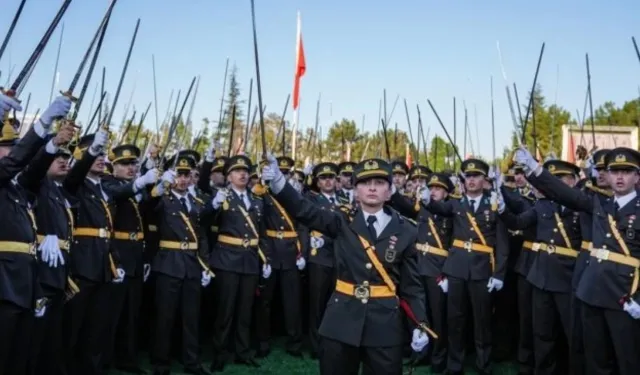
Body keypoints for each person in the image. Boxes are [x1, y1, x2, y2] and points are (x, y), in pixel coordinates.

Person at [262, 155, 430, 375]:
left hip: (384, 323)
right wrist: (279, 184)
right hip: (341, 319)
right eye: (365, 183)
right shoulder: (341, 220)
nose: (372, 188)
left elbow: (411, 285)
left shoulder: (407, 230)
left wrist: (420, 323)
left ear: (389, 192)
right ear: (355, 190)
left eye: (379, 183)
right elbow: (305, 210)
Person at [514, 146, 640, 375]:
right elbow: (563, 193)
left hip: (625, 295)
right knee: (596, 359)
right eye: (614, 171)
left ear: (637, 176)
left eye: (626, 171)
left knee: (628, 358)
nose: (619, 177)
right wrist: (534, 168)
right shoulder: (599, 204)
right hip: (592, 291)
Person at [0, 94, 75, 375]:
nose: (15, 154)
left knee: (19, 358)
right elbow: (13, 164)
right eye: (8, 148)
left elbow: (32, 169)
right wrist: (42, 122)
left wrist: (53, 143)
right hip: (3, 284)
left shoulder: (17, 188)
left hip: (23, 284)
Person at [420, 158, 509, 375]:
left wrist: (498, 274)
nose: (471, 180)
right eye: (467, 176)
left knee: (482, 321)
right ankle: (454, 364)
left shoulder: (495, 204)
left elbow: (502, 244)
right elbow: (438, 207)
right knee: (455, 319)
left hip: (482, 269)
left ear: (484, 179)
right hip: (456, 269)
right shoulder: (456, 203)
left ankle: (483, 364)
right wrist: (426, 200)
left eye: (476, 176)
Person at [499, 159, 583, 374]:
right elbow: (519, 223)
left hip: (569, 278)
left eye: (559, 179)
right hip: (541, 277)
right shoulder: (543, 205)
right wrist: (502, 210)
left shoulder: (583, 206)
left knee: (573, 335)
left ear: (573, 181)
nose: (552, 185)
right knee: (542, 333)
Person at [149, 153, 213, 375]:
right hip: (169, 263)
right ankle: (160, 362)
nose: (183, 179)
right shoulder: (163, 199)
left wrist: (205, 265)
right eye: (179, 174)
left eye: (186, 175)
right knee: (165, 317)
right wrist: (159, 185)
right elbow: (149, 207)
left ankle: (192, 361)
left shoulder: (196, 203)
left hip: (192, 264)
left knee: (191, 317)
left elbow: (201, 236)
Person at [208, 155, 270, 372]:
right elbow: (204, 221)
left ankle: (242, 352)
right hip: (227, 259)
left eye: (245, 171)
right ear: (228, 176)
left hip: (250, 260)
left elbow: (261, 233)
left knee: (245, 311)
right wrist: (214, 205)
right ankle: (220, 353)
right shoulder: (221, 197)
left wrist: (266, 259)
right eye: (237, 171)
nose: (243, 174)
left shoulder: (256, 200)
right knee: (225, 311)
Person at [389, 172, 454, 373]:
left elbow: (455, 245)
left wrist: (448, 272)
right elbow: (404, 206)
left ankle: (439, 357)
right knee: (419, 314)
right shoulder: (422, 208)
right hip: (418, 266)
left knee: (438, 316)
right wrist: (392, 190)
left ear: (446, 193)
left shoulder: (452, 212)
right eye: (431, 188)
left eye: (438, 189)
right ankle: (420, 353)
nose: (433, 192)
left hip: (438, 269)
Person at [102, 144, 157, 373]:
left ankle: (127, 358)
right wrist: (141, 182)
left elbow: (147, 218)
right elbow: (119, 194)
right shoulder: (108, 184)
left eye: (134, 164)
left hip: (135, 254)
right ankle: (105, 359)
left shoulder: (135, 188)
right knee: (111, 313)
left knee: (131, 313)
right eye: (125, 164)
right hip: (118, 254)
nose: (131, 168)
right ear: (113, 166)